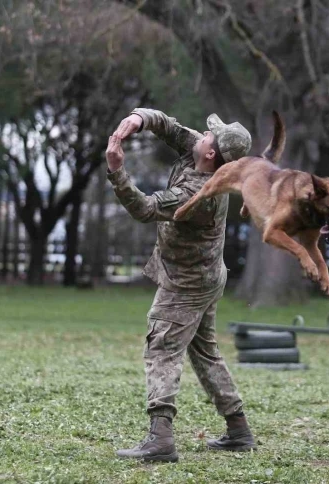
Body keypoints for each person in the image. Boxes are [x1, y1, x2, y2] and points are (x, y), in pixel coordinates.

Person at [105, 108, 255, 463]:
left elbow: (143, 208)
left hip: (188, 284)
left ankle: (160, 439)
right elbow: (169, 127)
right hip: (204, 276)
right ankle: (239, 430)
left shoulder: (199, 193)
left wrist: (116, 170)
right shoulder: (202, 152)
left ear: (211, 154)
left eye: (208, 135)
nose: (201, 134)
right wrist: (139, 118)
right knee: (205, 352)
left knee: (162, 348)